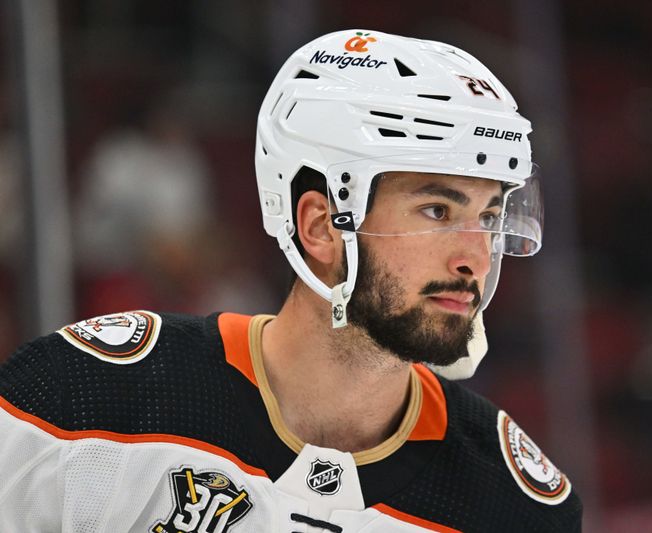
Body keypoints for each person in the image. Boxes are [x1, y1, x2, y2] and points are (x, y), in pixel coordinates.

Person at [0, 30, 582, 532]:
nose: (475, 259)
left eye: (487, 218)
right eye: (436, 211)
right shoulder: (81, 401)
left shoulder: (513, 506)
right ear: (321, 226)